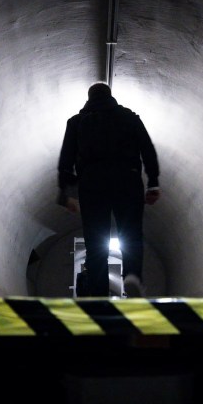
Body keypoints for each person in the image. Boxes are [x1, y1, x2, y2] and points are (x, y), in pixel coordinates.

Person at [57, 82, 161, 297]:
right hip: (127, 178)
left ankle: (97, 293)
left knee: (95, 241)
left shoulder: (76, 122)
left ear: (89, 97)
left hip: (92, 182)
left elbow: (66, 160)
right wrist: (153, 182)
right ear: (110, 95)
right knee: (131, 233)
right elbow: (147, 149)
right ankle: (132, 277)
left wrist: (64, 192)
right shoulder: (129, 117)